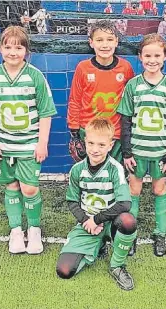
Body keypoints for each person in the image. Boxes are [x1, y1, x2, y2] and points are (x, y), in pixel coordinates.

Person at [0, 26, 57, 255]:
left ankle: (34, 229)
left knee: (29, 189)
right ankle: (16, 230)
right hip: (3, 146)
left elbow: (45, 113)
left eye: (18, 47)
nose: (13, 52)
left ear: (26, 50)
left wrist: (42, 143)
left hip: (29, 145)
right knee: (11, 186)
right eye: (8, 46)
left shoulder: (35, 76)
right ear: (0, 49)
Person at [117, 34, 166, 257]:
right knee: (133, 189)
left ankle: (160, 233)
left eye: (157, 55)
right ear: (140, 57)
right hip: (137, 152)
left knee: (159, 189)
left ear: (165, 57)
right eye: (147, 55)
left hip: (160, 153)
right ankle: (130, 234)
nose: (152, 60)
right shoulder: (133, 85)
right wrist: (127, 152)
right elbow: (125, 120)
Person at [56, 118, 137, 291]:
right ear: (85, 142)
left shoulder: (116, 168)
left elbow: (124, 203)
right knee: (64, 271)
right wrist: (87, 221)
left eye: (101, 145)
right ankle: (97, 246)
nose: (95, 149)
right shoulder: (77, 170)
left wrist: (97, 220)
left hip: (110, 222)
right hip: (87, 223)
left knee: (128, 221)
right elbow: (72, 201)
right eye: (91, 143)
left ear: (110, 145)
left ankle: (117, 265)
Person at [67, 20, 135, 164]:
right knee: (90, 172)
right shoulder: (83, 68)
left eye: (110, 39)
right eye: (99, 40)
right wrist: (74, 132)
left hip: (115, 131)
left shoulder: (125, 67)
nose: (105, 45)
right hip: (88, 130)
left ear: (116, 41)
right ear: (91, 42)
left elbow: (131, 100)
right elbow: (75, 100)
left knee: (114, 172)